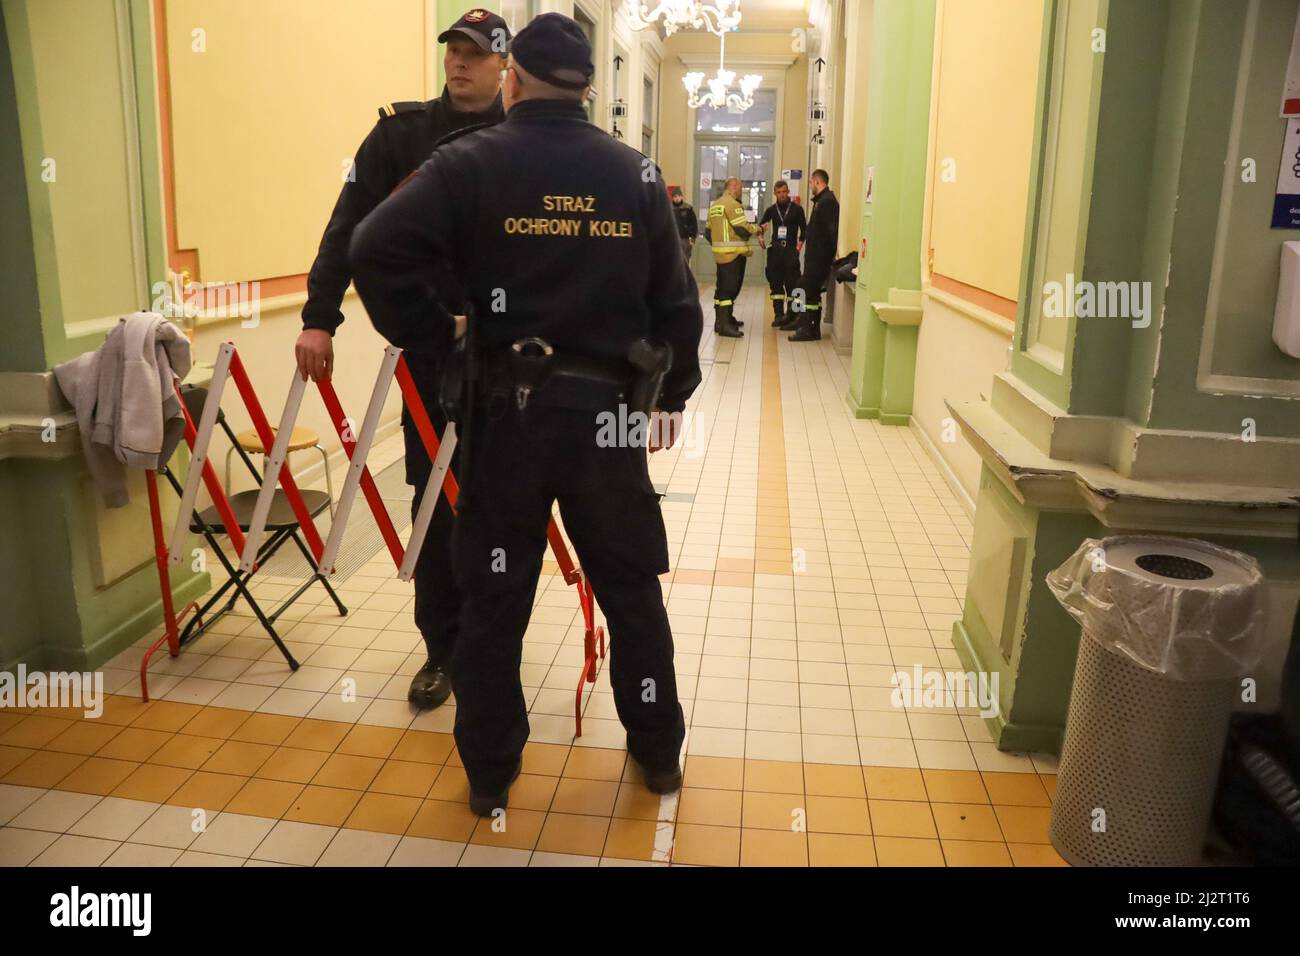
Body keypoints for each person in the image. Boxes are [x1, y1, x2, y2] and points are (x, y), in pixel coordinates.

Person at [349, 13, 703, 817]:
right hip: (606, 423)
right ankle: (657, 754)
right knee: (629, 589)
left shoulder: (468, 162)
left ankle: (490, 772)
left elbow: (373, 247)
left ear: (512, 81)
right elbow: (678, 306)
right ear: (589, 90)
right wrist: (672, 394)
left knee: (495, 599)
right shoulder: (636, 174)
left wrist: (435, 337)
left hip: (506, 423)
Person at [293, 10, 510, 710]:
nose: (460, 63)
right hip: (429, 353)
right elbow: (345, 223)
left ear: (506, 66)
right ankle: (442, 649)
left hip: (509, 357)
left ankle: (496, 636)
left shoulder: (528, 139)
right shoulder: (399, 135)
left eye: (476, 54)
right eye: (453, 49)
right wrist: (319, 318)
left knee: (507, 499)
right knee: (437, 501)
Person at [790, 168, 839, 342]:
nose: (810, 185)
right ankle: (807, 326)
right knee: (809, 293)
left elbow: (829, 233)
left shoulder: (827, 202)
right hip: (815, 258)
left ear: (817, 182)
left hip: (819, 259)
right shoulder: (821, 201)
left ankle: (805, 327)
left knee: (803, 289)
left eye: (811, 182)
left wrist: (823, 258)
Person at [705, 177, 751, 338]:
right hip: (733, 255)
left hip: (720, 255)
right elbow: (742, 229)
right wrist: (758, 229)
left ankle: (722, 320)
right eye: (740, 187)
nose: (741, 190)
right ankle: (724, 326)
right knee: (729, 289)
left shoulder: (715, 205)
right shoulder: (733, 204)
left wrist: (719, 245)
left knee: (722, 288)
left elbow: (707, 233)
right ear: (734, 186)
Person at [756, 180, 806, 330]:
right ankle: (779, 315)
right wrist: (760, 237)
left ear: (788, 191)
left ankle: (794, 315)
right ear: (775, 194)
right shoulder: (771, 210)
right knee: (776, 285)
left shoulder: (797, 209)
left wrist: (799, 246)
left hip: (791, 250)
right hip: (776, 251)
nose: (782, 195)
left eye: (784, 192)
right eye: (779, 193)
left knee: (794, 284)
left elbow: (804, 229)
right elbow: (760, 226)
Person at [670, 186, 698, 264]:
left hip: (685, 240)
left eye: (679, 196)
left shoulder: (688, 209)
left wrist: (693, 239)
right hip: (672, 239)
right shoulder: (669, 209)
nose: (677, 198)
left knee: (685, 261)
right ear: (672, 198)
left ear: (682, 197)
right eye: (675, 196)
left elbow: (694, 224)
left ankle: (684, 276)